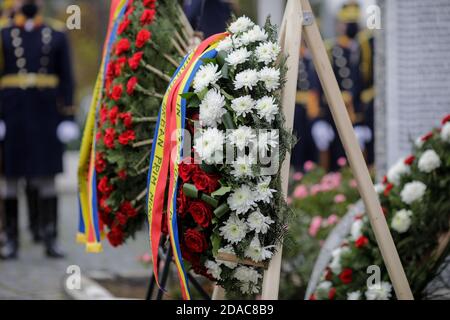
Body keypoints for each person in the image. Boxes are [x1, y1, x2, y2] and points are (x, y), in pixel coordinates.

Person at [0, 0, 79, 259]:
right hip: (14, 113)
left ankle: (50, 237)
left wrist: (68, 115)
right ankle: (10, 238)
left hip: (46, 114)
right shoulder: (4, 33)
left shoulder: (56, 34)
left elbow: (66, 76)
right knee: (11, 177)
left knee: (47, 177)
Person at [310, 1, 373, 171]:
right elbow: (320, 85)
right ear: (339, 25)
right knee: (337, 159)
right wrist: (320, 119)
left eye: (353, 23)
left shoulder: (364, 47)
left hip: (357, 114)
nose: (350, 27)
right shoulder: (331, 50)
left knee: (362, 163)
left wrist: (363, 119)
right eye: (346, 23)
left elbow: (364, 85)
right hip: (335, 111)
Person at [290, 43, 320, 171]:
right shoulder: (291, 59)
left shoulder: (309, 60)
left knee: (311, 139)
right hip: (297, 108)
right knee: (298, 140)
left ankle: (310, 167)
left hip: (310, 107)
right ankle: (298, 168)